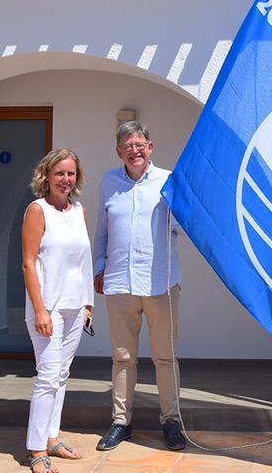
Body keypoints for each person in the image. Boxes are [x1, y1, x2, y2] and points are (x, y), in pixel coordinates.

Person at [93, 121, 186, 451]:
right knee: (122, 357)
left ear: (150, 147)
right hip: (120, 283)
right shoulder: (109, 182)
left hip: (161, 283)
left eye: (139, 144)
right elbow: (102, 230)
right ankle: (121, 422)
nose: (134, 150)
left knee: (165, 357)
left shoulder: (168, 180)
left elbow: (182, 226)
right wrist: (100, 268)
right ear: (119, 151)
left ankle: (171, 421)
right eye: (127, 146)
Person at [22, 148, 94, 473]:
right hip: (47, 308)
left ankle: (52, 437)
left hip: (75, 307)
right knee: (48, 377)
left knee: (62, 376)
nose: (66, 179)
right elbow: (28, 263)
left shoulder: (79, 210)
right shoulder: (37, 210)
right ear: (46, 176)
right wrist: (39, 310)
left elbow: (85, 259)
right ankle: (37, 449)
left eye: (71, 173)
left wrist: (89, 302)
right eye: (59, 173)